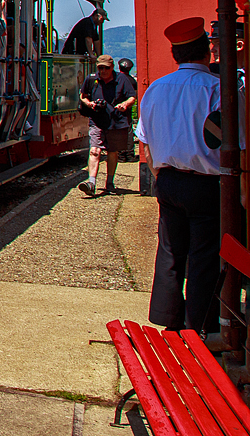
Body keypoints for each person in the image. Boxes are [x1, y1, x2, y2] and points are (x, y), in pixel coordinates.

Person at [136, 17, 241, 334]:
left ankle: (167, 319)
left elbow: (146, 141)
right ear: (207, 52)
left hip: (168, 181)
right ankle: (199, 324)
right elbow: (236, 141)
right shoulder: (217, 89)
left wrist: (159, 175)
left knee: (169, 250)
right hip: (207, 183)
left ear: (175, 55)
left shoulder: (156, 88)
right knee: (203, 255)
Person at [77, 54, 137, 197]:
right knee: (95, 151)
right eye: (100, 68)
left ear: (112, 68)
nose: (103, 71)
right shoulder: (92, 79)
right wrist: (89, 103)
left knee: (112, 152)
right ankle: (91, 183)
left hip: (115, 121)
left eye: (106, 68)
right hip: (97, 119)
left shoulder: (122, 79)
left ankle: (109, 183)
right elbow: (83, 95)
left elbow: (132, 97)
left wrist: (124, 105)